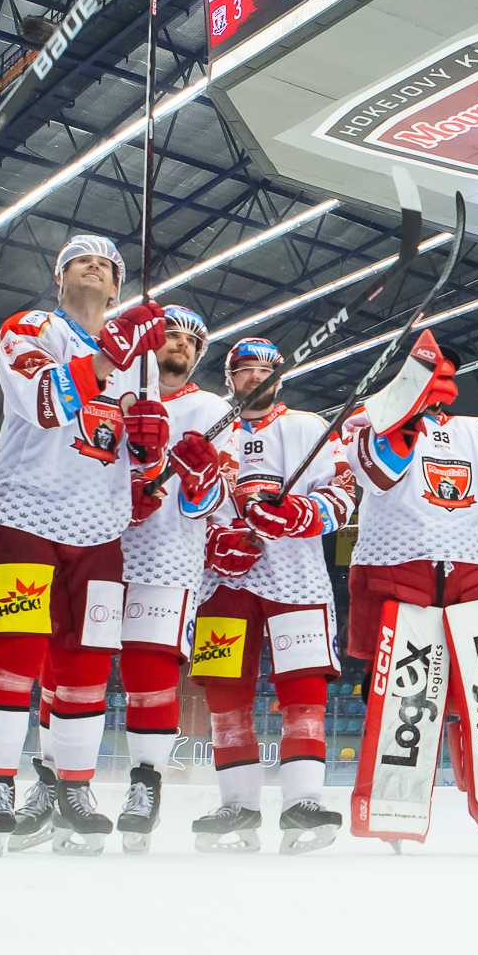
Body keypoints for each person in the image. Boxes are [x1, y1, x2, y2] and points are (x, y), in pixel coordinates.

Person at [0, 232, 167, 856]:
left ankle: (74, 788)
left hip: (100, 529)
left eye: (107, 265)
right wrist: (108, 355)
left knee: (86, 663)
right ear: (60, 277)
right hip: (25, 513)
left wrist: (155, 452)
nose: (95, 267)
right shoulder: (30, 328)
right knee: (16, 652)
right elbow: (42, 402)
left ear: (117, 286)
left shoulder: (143, 364)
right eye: (81, 259)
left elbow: (138, 459)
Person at [188, 336, 353, 853]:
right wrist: (211, 539)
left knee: (304, 687)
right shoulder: (209, 429)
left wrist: (301, 513)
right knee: (225, 691)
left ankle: (303, 801)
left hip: (295, 575)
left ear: (280, 377)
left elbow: (343, 493)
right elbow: (182, 500)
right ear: (229, 378)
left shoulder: (307, 426)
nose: (255, 377)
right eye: (244, 369)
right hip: (221, 581)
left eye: (265, 369)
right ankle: (237, 805)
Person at [106, 308, 229, 851]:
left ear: (199, 357)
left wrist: (200, 479)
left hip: (167, 553)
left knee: (148, 665)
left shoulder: (213, 409)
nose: (180, 344)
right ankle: (54, 775)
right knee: (70, 657)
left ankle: (146, 783)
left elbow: (214, 500)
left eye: (191, 341)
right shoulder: (110, 386)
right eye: (170, 334)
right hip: (97, 541)